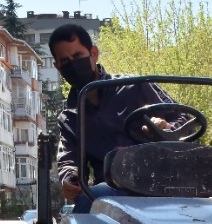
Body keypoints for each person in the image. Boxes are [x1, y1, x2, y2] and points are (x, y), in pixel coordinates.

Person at [49, 24, 178, 213]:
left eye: (77, 56)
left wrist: (165, 128)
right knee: (87, 201)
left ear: (93, 53)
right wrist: (69, 177)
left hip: (158, 179)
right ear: (58, 68)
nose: (73, 65)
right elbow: (69, 159)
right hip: (112, 192)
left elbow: (185, 119)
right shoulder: (70, 118)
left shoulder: (136, 87)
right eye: (65, 61)